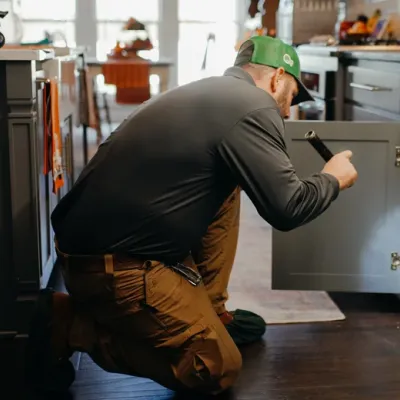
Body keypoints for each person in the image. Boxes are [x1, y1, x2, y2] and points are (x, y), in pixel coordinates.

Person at [25, 36, 358, 396]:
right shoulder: (256, 106)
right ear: (277, 78)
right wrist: (332, 178)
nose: (288, 111)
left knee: (227, 181)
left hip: (88, 248)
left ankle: (211, 314)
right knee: (215, 368)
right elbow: (288, 208)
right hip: (114, 269)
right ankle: (71, 325)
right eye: (291, 96)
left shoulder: (205, 92)